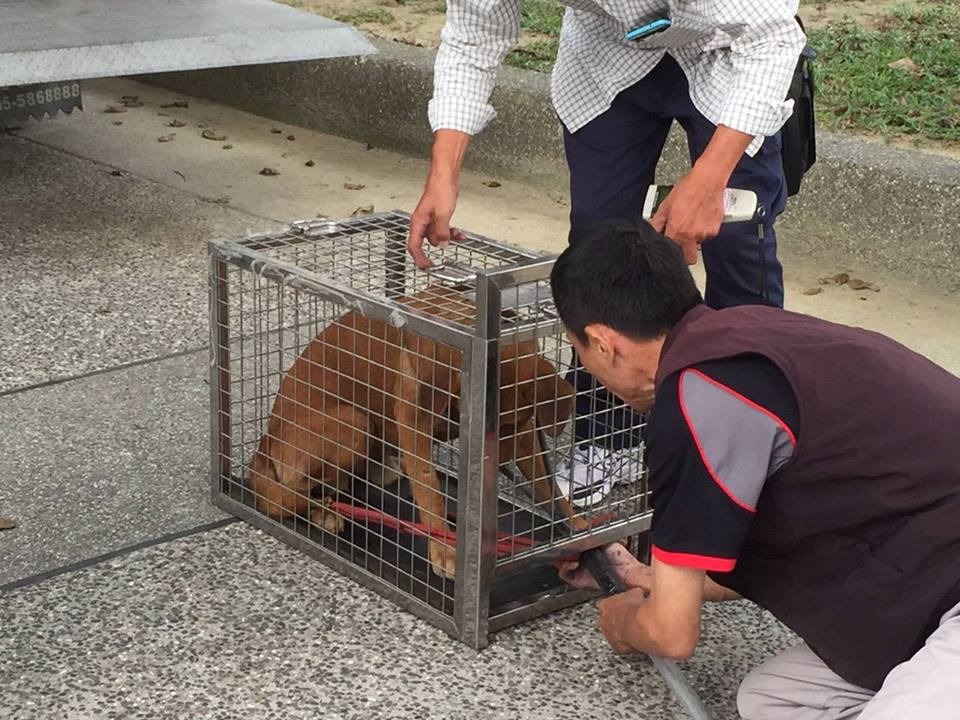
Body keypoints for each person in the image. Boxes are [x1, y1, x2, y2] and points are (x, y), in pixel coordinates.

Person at [549, 218, 960, 719]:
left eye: (577, 350)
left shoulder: (695, 399)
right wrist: (639, 575)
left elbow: (672, 634)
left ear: (603, 341)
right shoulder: (743, 335)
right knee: (771, 702)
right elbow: (733, 556)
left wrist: (625, 622)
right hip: (926, 574)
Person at [406, 0, 807, 502]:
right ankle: (608, 435)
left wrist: (708, 180)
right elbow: (473, 34)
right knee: (599, 249)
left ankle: (752, 441)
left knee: (738, 244)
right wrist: (443, 172)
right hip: (608, 55)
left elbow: (771, 39)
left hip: (729, 49)